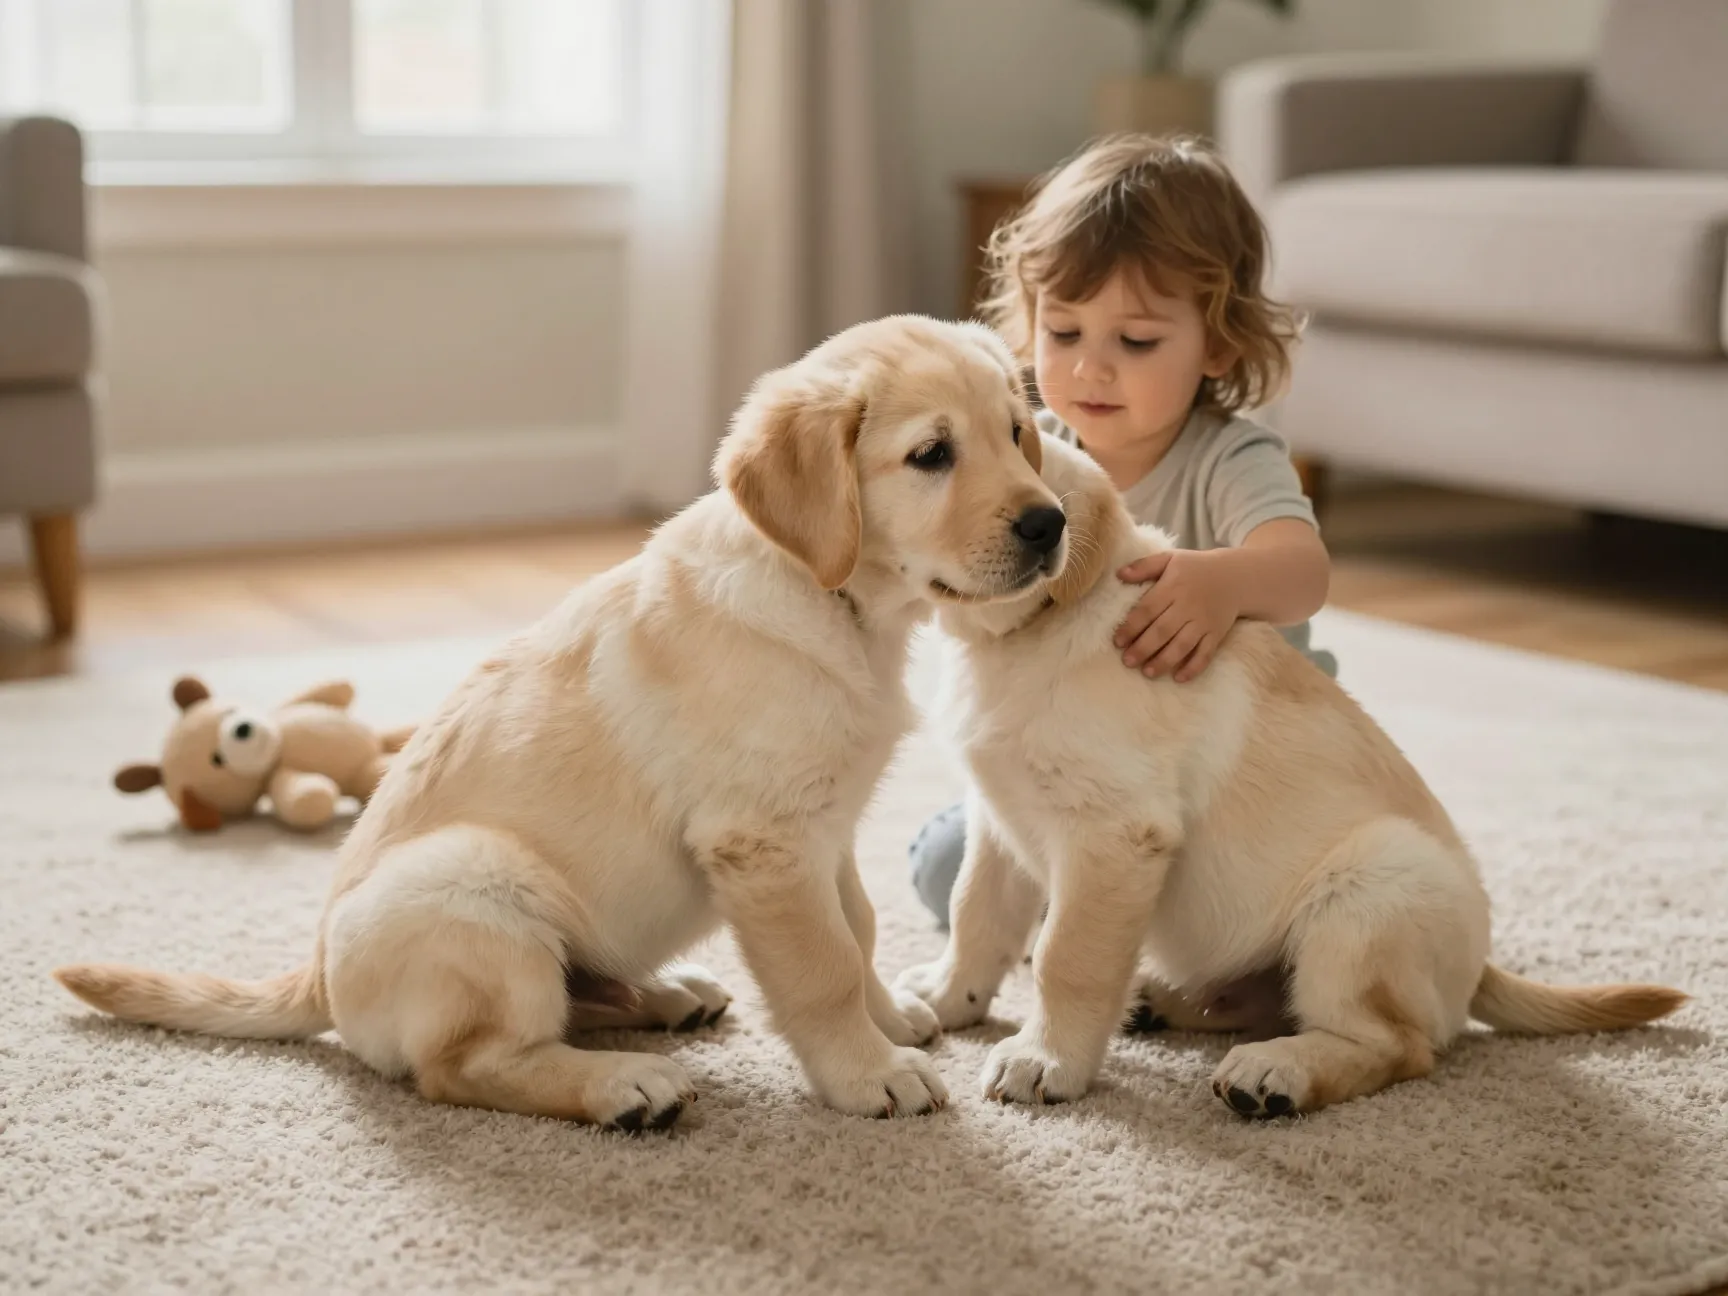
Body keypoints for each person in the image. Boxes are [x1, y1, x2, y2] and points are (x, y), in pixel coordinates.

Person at [910, 133, 1336, 929]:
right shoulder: (1028, 449)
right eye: (1063, 333)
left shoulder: (1229, 456)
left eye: (1135, 341)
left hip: (1227, 778)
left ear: (1220, 343)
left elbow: (1302, 570)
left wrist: (1225, 582)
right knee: (939, 867)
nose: (1090, 368)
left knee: (1199, 891)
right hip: (1073, 756)